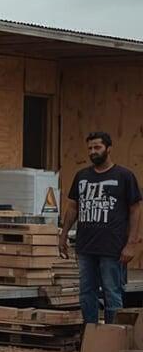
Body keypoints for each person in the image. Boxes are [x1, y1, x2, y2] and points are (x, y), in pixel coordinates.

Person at [59, 131, 142, 324]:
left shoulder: (124, 176)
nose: (93, 152)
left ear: (109, 148)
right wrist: (63, 235)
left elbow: (135, 210)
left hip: (112, 248)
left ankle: (112, 340)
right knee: (86, 293)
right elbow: (73, 207)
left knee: (112, 292)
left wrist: (132, 244)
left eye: (97, 147)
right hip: (85, 247)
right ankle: (91, 338)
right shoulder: (82, 176)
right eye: (90, 148)